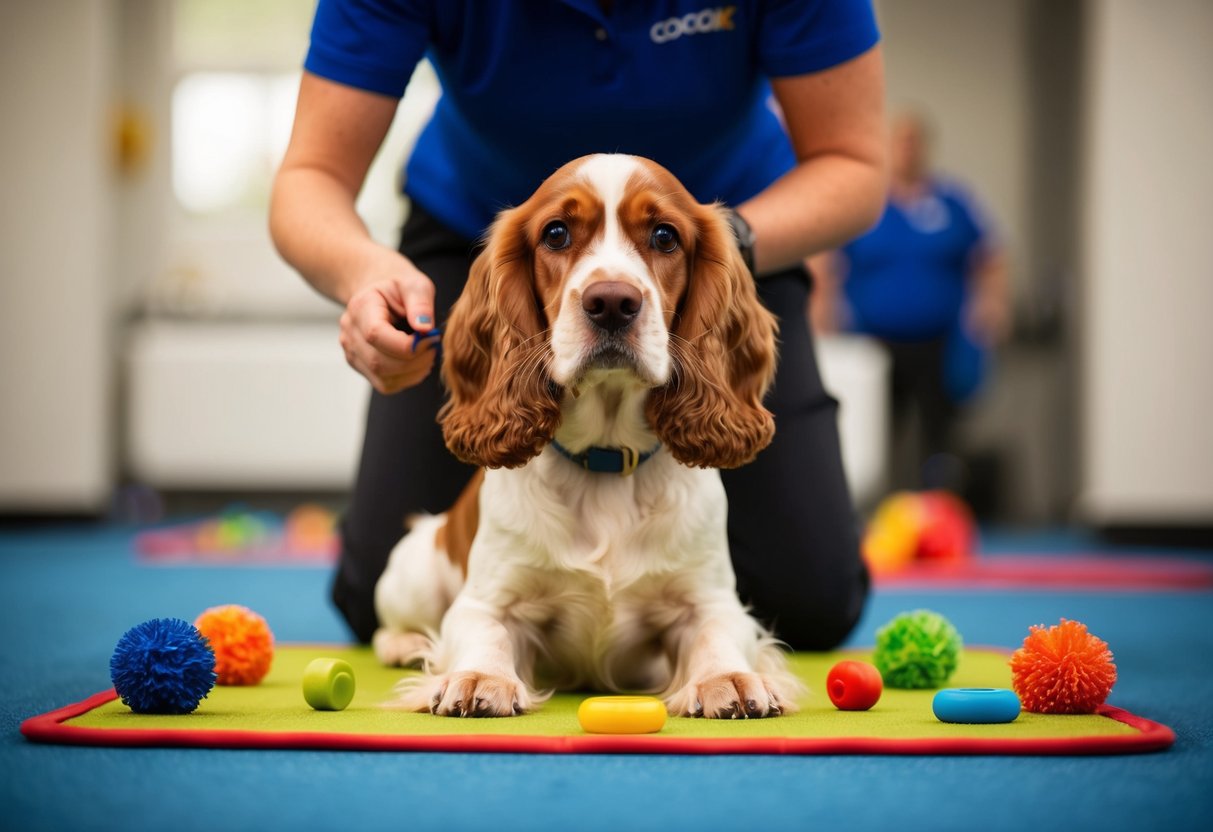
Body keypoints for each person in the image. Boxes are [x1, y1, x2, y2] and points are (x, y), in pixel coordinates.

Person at [270, 0, 888, 651]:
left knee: (813, 602)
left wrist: (706, 255)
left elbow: (853, 165)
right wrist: (362, 273)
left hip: (728, 240)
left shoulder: (703, 258)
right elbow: (310, 174)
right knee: (375, 596)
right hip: (490, 245)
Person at [810, 110, 1009, 493]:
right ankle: (872, 508)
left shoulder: (954, 202)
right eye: (900, 141)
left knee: (941, 429)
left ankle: (942, 505)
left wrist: (992, 304)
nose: (908, 149)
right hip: (873, 340)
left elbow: (991, 254)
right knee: (874, 426)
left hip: (940, 340)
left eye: (915, 141)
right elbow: (826, 262)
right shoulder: (866, 203)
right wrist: (823, 318)